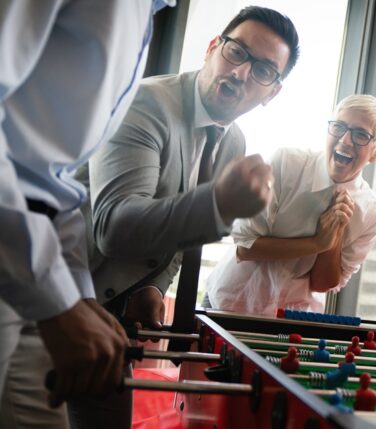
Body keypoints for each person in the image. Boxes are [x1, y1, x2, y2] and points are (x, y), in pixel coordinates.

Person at [71, 6, 298, 428]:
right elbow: (113, 226)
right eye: (237, 52)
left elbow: (181, 235)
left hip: (110, 313)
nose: (242, 72)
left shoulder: (234, 141)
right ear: (213, 48)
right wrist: (220, 205)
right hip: (48, 299)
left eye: (264, 70)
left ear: (272, 92)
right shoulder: (144, 103)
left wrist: (153, 286)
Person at [0, 1, 171, 427]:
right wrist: (58, 298)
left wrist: (77, 295)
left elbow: (50, 175)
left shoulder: (144, 14)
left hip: (37, 269)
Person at [205, 94, 376, 314]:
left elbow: (322, 284)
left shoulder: (372, 211)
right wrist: (317, 243)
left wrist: (336, 235)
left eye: (361, 135)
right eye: (339, 127)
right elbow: (244, 246)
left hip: (290, 317)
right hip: (229, 303)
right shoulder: (286, 163)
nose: (345, 140)